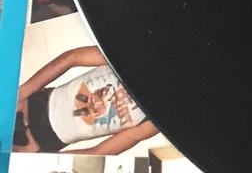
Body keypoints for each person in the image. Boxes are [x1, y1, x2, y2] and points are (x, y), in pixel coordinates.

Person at [14, 44, 158, 154]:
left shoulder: (158, 120)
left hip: (44, 142)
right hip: (35, 102)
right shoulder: (134, 57)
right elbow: (72, 57)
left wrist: (41, 157)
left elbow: (98, 153)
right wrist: (22, 93)